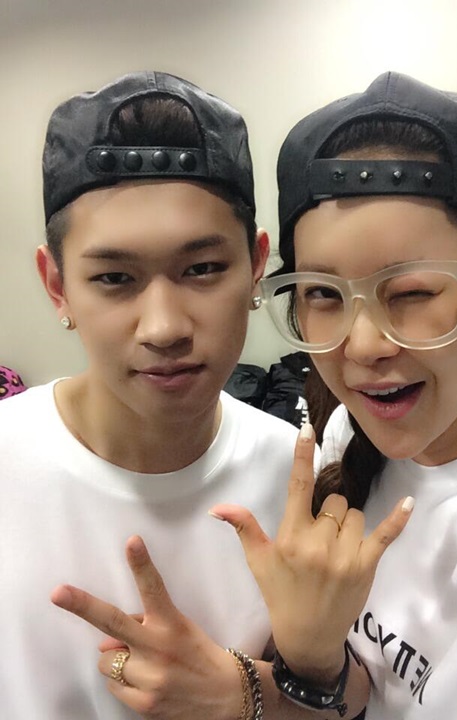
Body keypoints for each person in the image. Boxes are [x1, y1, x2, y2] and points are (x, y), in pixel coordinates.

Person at [215, 71, 457, 719]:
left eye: (413, 293)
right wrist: (311, 661)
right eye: (322, 294)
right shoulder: (347, 433)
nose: (363, 346)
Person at [0, 70, 304, 720]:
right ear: (56, 286)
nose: (164, 328)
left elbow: (358, 691)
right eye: (114, 278)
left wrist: (248, 694)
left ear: (256, 266)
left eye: (203, 269)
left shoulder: (298, 475)